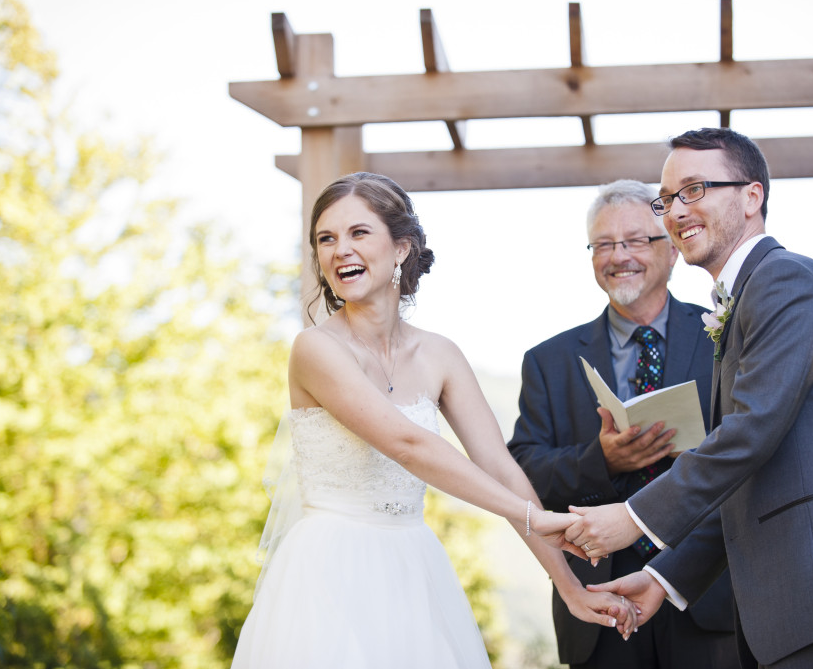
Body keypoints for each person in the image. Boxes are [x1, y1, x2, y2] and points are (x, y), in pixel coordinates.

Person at [230, 172, 634, 668]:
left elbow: (501, 467)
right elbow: (408, 444)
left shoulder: (441, 354)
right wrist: (536, 517)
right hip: (327, 573)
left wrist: (570, 589)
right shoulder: (315, 349)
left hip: (413, 571)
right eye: (326, 239)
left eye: (359, 233)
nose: (340, 251)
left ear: (401, 248)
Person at [568, 128, 813, 668]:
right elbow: (749, 476)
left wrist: (635, 517)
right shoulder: (743, 301)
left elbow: (748, 434)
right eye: (667, 199)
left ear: (752, 196)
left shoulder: (785, 280)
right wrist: (666, 577)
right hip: (792, 609)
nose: (675, 210)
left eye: (695, 189)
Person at [508, 179, 740, 669]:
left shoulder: (726, 339)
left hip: (706, 594)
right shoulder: (549, 361)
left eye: (636, 240)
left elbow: (750, 453)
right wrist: (602, 460)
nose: (619, 256)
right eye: (604, 244)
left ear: (673, 250)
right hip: (599, 601)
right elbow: (521, 474)